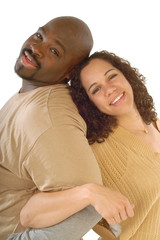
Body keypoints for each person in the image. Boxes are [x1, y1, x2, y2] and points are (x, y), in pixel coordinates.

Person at [0, 17, 134, 240]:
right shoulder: (31, 94)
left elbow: (87, 210)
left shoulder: (46, 116)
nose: (36, 48)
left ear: (69, 73)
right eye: (39, 35)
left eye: (54, 51)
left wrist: (88, 193)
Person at [70, 50, 160, 240]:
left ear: (127, 76)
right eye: (96, 89)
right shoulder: (95, 152)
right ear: (90, 103)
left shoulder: (156, 123)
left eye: (112, 76)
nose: (109, 89)